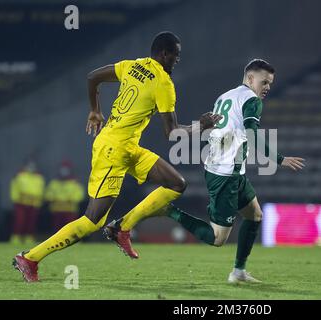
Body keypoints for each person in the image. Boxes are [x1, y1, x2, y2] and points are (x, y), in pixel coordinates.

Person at [12, 31, 220, 282]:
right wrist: (203, 125)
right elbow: (172, 132)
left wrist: (94, 111)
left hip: (126, 146)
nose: (177, 60)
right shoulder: (163, 83)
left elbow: (93, 77)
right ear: (164, 54)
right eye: (176, 55)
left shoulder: (132, 66)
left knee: (177, 183)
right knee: (92, 221)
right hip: (113, 151)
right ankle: (30, 257)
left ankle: (121, 227)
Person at [106, 59, 305, 283]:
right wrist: (280, 159)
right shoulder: (252, 101)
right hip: (225, 174)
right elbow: (251, 134)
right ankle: (169, 211)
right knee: (217, 238)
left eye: (270, 83)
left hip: (229, 170)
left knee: (255, 215)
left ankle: (238, 272)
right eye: (264, 82)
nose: (267, 87)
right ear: (250, 79)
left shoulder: (226, 96)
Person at [10, 160, 45, 245]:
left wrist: (39, 201)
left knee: (31, 222)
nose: (31, 167)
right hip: (21, 202)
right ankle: (16, 237)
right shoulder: (20, 176)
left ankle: (29, 237)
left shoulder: (39, 178)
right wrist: (15, 199)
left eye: (32, 165)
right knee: (19, 221)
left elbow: (41, 190)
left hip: (33, 203)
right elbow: (14, 188)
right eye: (29, 165)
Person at [45, 160, 85, 232]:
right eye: (62, 168)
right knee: (57, 229)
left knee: (71, 229)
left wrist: (71, 199)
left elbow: (80, 195)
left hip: (70, 210)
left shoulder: (75, 182)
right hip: (57, 210)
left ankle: (73, 241)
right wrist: (53, 198)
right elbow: (48, 194)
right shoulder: (54, 182)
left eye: (66, 168)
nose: (64, 171)